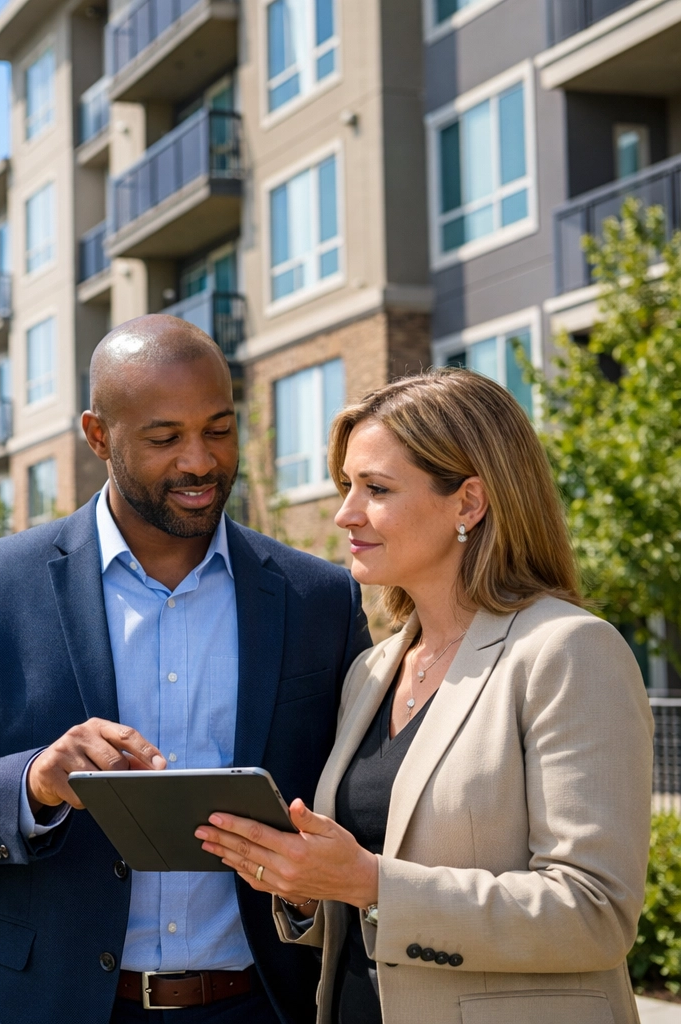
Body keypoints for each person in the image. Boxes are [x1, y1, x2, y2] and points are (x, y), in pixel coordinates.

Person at [0, 314, 371, 1023]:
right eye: (164, 438)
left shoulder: (319, 598)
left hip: (259, 1005)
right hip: (42, 1006)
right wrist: (35, 781)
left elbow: (361, 809)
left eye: (219, 429)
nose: (200, 461)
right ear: (98, 436)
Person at [195, 368, 653, 1024]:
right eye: (347, 486)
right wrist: (305, 890)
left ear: (469, 503)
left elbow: (595, 913)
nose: (346, 514)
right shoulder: (371, 671)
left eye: (376, 489)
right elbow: (368, 911)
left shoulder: (568, 651)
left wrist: (369, 881)